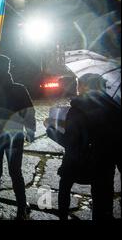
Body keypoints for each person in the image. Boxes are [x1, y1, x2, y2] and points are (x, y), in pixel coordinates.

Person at [46, 73, 121, 220]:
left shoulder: (77, 109)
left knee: (64, 186)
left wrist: (50, 130)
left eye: (78, 84)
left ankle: (62, 216)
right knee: (103, 206)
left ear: (85, 86)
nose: (77, 88)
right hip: (105, 164)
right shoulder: (115, 108)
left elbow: (70, 141)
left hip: (78, 163)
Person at [0, 55, 35, 219]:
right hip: (14, 135)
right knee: (15, 171)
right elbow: (29, 112)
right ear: (8, 68)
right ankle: (21, 207)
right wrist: (30, 132)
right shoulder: (19, 89)